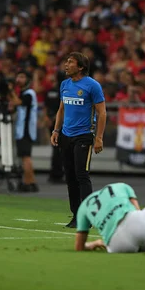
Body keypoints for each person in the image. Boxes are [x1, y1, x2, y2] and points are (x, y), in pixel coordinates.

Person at [51, 52, 107, 228]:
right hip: (66, 135)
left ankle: (88, 216)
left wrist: (98, 138)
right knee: (70, 177)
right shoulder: (65, 84)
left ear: (81, 67)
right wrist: (56, 130)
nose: (66, 65)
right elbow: (61, 109)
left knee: (81, 175)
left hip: (84, 135)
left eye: (70, 62)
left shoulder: (92, 86)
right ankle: (76, 215)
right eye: (66, 61)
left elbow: (102, 112)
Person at [10, 70, 39, 192]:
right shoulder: (24, 93)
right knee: (25, 158)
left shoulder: (29, 93)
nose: (18, 79)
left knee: (26, 157)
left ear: (28, 80)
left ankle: (28, 182)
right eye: (18, 76)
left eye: (22, 77)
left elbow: (18, 102)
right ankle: (31, 182)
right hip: (23, 130)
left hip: (25, 130)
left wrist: (10, 90)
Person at [44, 74, 64, 183]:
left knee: (55, 148)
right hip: (60, 123)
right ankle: (58, 174)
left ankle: (54, 173)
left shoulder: (49, 91)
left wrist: (47, 118)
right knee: (60, 150)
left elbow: (45, 107)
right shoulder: (63, 92)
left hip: (51, 121)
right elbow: (63, 109)